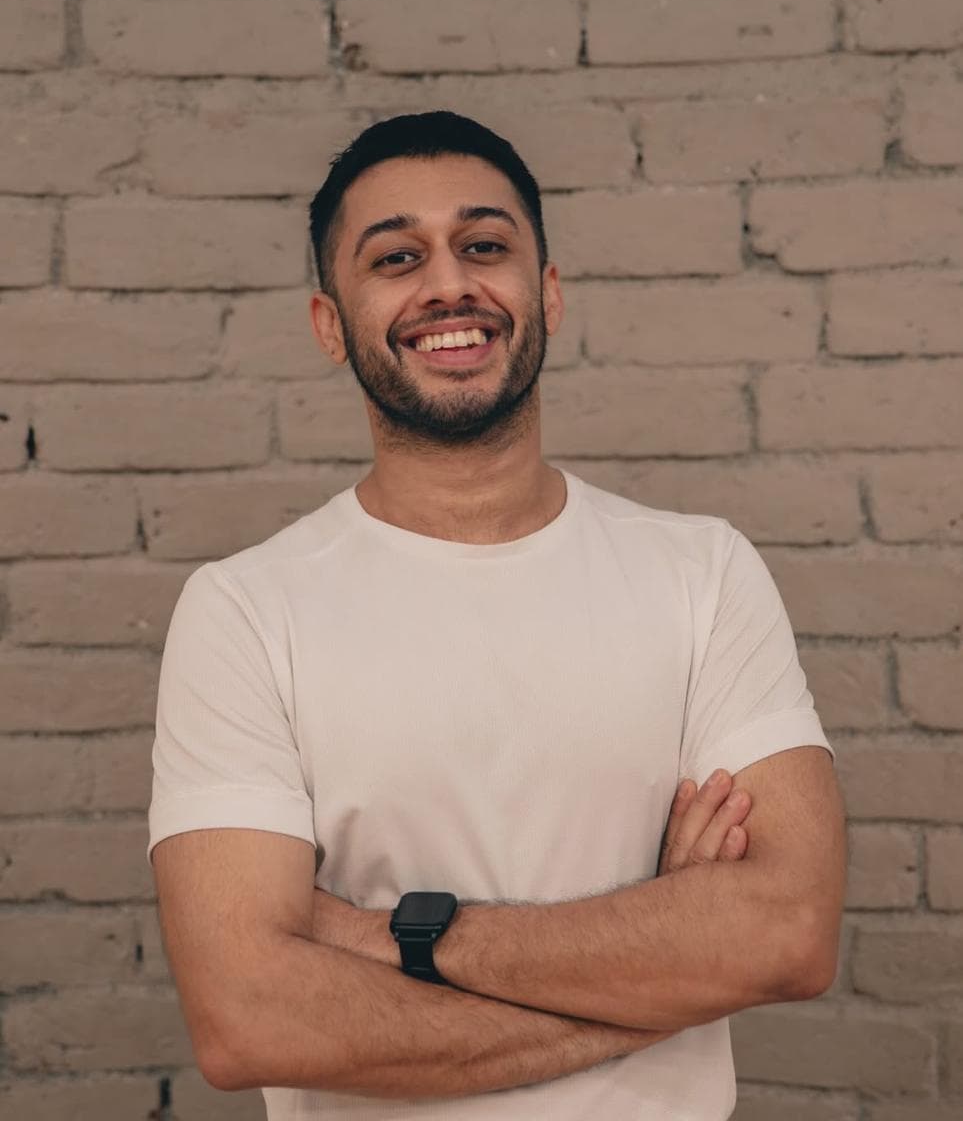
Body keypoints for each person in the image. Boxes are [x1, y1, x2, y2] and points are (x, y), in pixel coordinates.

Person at [149, 111, 846, 1120]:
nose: (447, 283)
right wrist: (665, 972)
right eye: (396, 256)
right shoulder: (246, 610)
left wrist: (392, 936)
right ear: (328, 322)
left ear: (547, 293)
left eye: (485, 245)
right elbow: (250, 1017)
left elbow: (786, 933)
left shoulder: (701, 571)